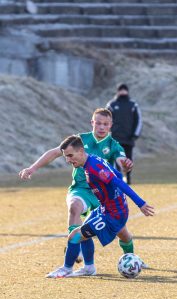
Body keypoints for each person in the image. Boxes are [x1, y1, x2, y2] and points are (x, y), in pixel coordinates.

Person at [19, 108, 133, 263]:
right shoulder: (79, 140)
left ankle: (131, 257)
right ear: (92, 122)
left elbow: (121, 162)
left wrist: (125, 165)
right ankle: (75, 248)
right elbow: (54, 152)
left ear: (111, 125)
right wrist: (32, 168)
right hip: (81, 189)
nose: (101, 127)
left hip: (103, 194)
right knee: (74, 207)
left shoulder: (114, 145)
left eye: (105, 124)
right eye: (98, 123)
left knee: (123, 233)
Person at [46, 135, 154, 278]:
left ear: (81, 151)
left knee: (74, 236)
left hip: (112, 214)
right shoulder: (92, 160)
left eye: (70, 155)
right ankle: (89, 268)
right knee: (85, 231)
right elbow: (117, 175)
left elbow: (118, 182)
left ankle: (66, 269)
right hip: (108, 209)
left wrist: (140, 203)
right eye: (66, 156)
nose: (68, 160)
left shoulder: (94, 168)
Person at [106, 83, 142, 184]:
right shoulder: (111, 105)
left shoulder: (133, 105)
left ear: (127, 91)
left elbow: (138, 120)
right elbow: (105, 119)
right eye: (120, 90)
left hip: (129, 138)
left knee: (128, 159)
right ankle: (119, 178)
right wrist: (107, 133)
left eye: (124, 89)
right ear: (117, 91)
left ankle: (128, 178)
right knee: (116, 158)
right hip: (115, 138)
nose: (122, 91)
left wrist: (135, 134)